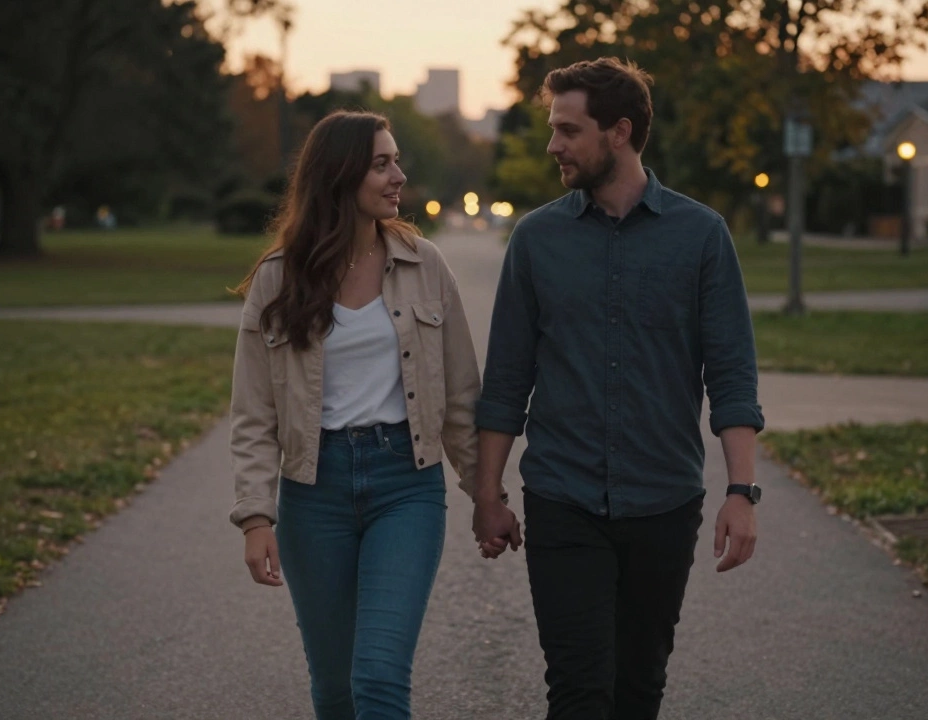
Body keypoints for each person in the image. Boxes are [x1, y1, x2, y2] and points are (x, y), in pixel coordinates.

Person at [471, 57, 765, 719]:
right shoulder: (537, 240)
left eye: (569, 130)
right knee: (578, 692)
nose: (553, 146)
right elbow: (507, 382)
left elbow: (732, 376)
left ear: (620, 132)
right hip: (562, 498)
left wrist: (741, 492)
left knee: (637, 689)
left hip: (663, 502)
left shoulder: (701, 237)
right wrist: (487, 494)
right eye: (553, 129)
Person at [227, 110, 496, 720]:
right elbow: (252, 415)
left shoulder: (425, 265)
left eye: (397, 160)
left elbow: (460, 397)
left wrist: (484, 495)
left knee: (377, 677)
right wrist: (254, 518)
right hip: (312, 493)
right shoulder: (278, 280)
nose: (399, 175)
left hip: (406, 485)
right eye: (382, 163)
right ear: (340, 174)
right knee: (336, 690)